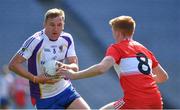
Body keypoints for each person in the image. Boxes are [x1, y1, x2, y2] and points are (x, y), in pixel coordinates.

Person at [58, 16, 169, 109]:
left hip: (134, 102)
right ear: (132, 31)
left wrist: (74, 75)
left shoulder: (117, 48)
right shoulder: (145, 50)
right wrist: (143, 79)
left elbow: (101, 68)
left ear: (117, 32)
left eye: (113, 31)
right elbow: (163, 76)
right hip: (156, 102)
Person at [9, 8, 90, 109]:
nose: (55, 29)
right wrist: (35, 78)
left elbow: (75, 68)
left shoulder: (67, 39)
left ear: (63, 25)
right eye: (52, 24)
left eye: (59, 25)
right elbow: (13, 65)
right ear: (45, 24)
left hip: (65, 90)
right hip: (44, 97)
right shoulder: (35, 41)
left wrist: (62, 66)